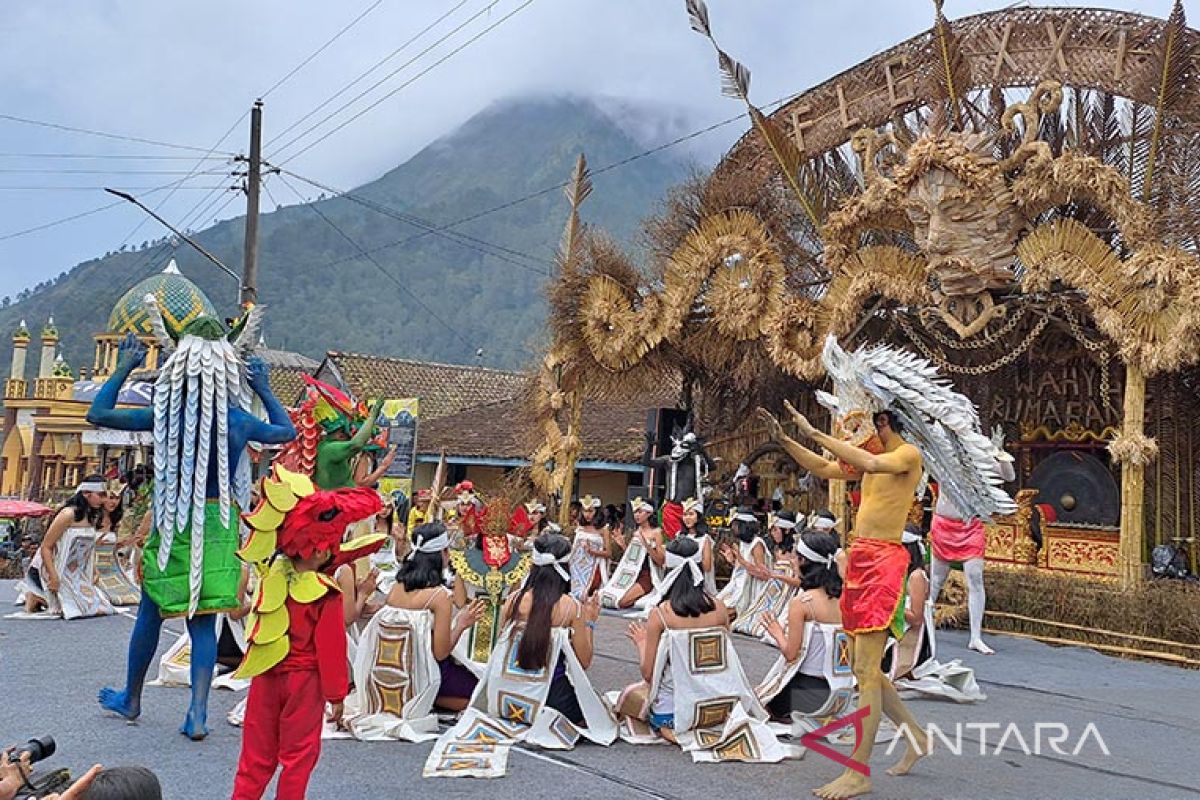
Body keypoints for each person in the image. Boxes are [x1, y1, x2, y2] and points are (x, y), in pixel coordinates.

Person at [89, 313, 296, 741]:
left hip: (176, 519)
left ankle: (131, 696)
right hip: (220, 522)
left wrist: (126, 366)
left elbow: (99, 412)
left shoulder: (165, 415)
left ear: (179, 365)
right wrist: (264, 388)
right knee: (204, 620)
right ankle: (197, 713)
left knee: (151, 608)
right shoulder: (238, 418)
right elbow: (285, 432)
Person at [232, 477, 386, 800]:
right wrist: (337, 695)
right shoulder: (325, 593)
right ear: (319, 548)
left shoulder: (271, 576)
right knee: (298, 759)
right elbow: (331, 648)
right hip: (303, 681)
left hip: (266, 674)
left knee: (255, 759)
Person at [625, 537, 730, 740]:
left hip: (671, 711)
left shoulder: (661, 614)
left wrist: (641, 642)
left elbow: (649, 674)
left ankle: (670, 729)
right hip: (713, 705)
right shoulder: (720, 608)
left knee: (629, 697)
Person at [928, 428, 1015, 655]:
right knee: (936, 579)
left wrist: (1000, 454)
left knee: (975, 579)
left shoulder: (981, 464)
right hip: (944, 526)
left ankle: (975, 636)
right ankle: (923, 626)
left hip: (970, 528)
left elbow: (1009, 476)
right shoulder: (944, 459)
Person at [383, 522, 484, 712]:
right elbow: (441, 653)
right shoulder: (439, 597)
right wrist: (462, 624)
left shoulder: (395, 589)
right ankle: (429, 697)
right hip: (427, 671)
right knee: (482, 691)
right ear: (443, 553)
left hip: (398, 668)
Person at [759, 528, 844, 719]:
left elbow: (791, 654)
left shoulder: (802, 603)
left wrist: (777, 631)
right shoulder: (846, 599)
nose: (792, 561)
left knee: (753, 704)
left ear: (804, 561)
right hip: (840, 691)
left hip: (806, 689)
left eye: (796, 557)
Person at [23, 477, 113, 619]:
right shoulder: (68, 514)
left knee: (101, 607)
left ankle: (42, 596)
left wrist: (94, 570)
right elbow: (46, 547)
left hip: (75, 571)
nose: (103, 500)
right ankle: (37, 593)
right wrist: (53, 576)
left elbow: (88, 549)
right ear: (86, 493)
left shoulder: (93, 516)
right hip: (54, 566)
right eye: (101, 495)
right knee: (70, 610)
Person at [732, 510, 801, 638]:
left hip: (788, 591)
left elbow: (798, 581)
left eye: (775, 529)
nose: (772, 533)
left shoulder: (796, 550)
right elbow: (766, 571)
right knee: (750, 619)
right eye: (772, 530)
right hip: (773, 587)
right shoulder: (776, 548)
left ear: (786, 530)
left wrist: (776, 575)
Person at [600, 497, 665, 609]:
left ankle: (644, 599)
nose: (636, 515)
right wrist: (623, 545)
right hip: (631, 574)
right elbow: (632, 559)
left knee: (621, 602)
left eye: (640, 512)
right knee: (605, 596)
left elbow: (660, 561)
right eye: (635, 512)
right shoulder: (636, 532)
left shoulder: (657, 533)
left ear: (649, 513)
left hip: (647, 575)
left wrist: (646, 544)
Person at [717, 507, 771, 622]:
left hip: (751, 590)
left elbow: (764, 575)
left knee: (721, 614)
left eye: (735, 525)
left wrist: (741, 561)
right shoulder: (742, 543)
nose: (733, 528)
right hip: (738, 586)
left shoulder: (757, 544)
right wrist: (732, 560)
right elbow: (741, 571)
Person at [94, 480, 140, 607]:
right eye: (111, 497)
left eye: (117, 498)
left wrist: (125, 542)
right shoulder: (91, 517)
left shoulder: (116, 519)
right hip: (92, 566)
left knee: (134, 596)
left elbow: (112, 547)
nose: (113, 502)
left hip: (111, 567)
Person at [568, 495, 611, 599]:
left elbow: (609, 553)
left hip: (595, 566)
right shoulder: (580, 528)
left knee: (584, 593)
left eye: (590, 511)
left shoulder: (604, 529)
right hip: (576, 566)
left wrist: (592, 551)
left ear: (597, 512)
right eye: (585, 511)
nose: (587, 514)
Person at [678, 498, 715, 594]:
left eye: (691, 514)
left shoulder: (705, 539)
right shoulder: (679, 536)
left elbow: (707, 567)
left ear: (698, 517)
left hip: (699, 582)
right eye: (685, 514)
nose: (687, 518)